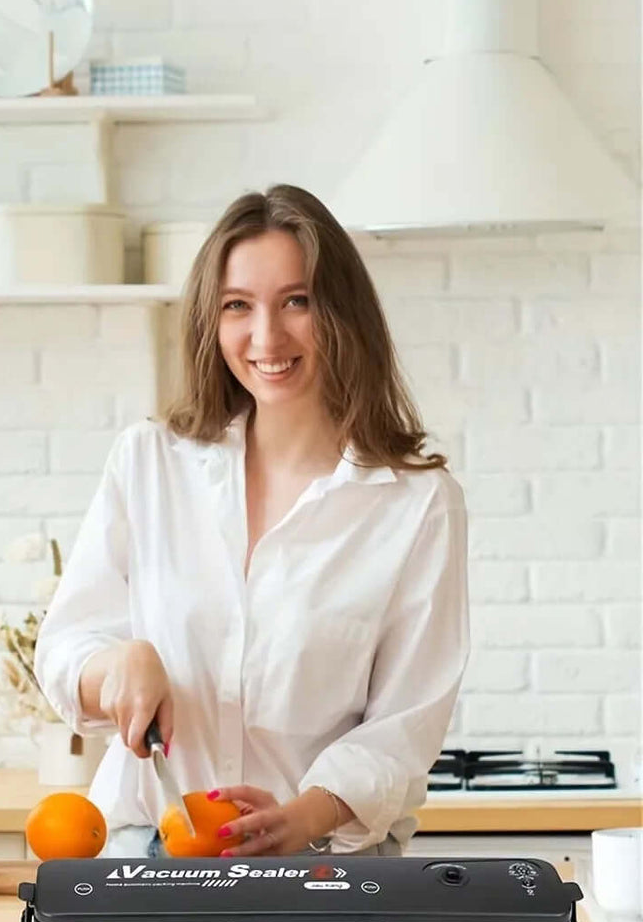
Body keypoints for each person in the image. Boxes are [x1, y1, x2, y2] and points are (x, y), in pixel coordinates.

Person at [35, 185, 469, 858]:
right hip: (147, 848)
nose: (266, 337)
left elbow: (407, 722)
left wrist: (305, 815)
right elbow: (65, 647)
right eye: (238, 306)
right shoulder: (151, 462)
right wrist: (119, 663)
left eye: (297, 301)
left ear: (342, 314)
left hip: (324, 863)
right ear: (212, 319)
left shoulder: (416, 503)